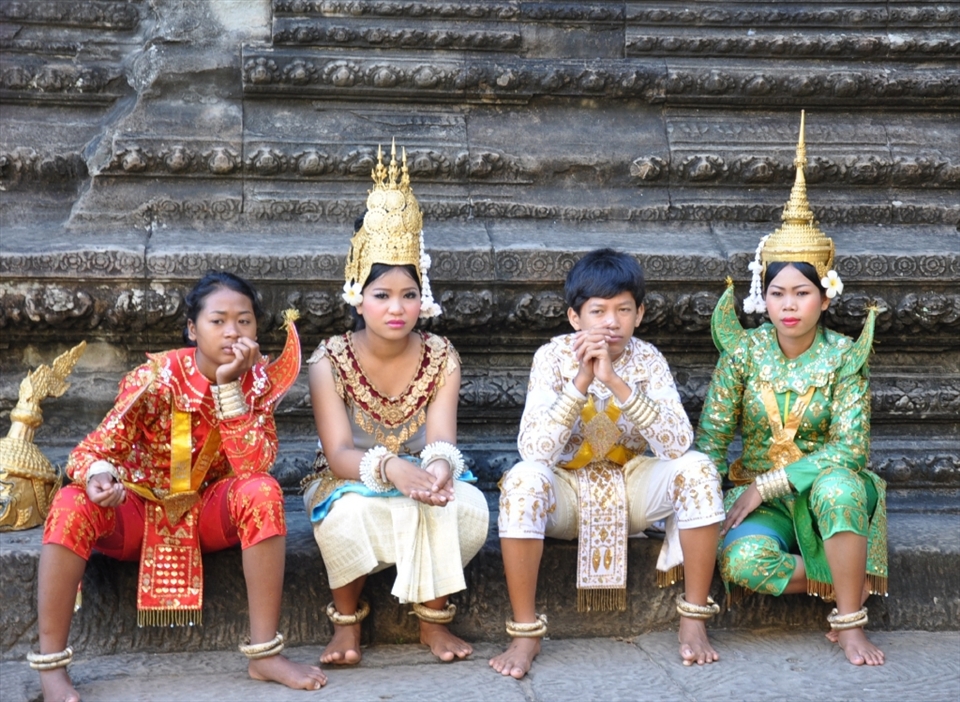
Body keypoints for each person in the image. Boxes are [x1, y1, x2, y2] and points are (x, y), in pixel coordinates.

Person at [32, 271, 326, 702]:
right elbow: (90, 449)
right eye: (218, 320)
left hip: (210, 513)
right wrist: (100, 480)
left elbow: (253, 465)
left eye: (244, 322)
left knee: (262, 491)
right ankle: (51, 665)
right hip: (136, 510)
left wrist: (229, 387)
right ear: (192, 328)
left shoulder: (256, 383)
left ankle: (264, 654)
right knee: (72, 501)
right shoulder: (154, 377)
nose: (232, 332)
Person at [696, 112, 887, 666]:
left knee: (839, 488)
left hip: (826, 492)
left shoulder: (845, 358)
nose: (787, 305)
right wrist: (700, 500)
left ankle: (850, 620)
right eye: (777, 292)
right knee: (745, 563)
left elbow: (852, 450)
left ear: (824, 298)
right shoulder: (744, 352)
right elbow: (712, 438)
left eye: (801, 293)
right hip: (757, 498)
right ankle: (844, 577)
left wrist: (770, 484)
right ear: (764, 295)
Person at [490, 247, 726, 679]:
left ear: (640, 313)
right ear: (575, 317)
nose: (611, 322)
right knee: (522, 479)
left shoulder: (648, 359)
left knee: (698, 469)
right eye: (598, 311)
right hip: (564, 491)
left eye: (623, 309)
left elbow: (677, 444)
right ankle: (525, 632)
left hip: (633, 485)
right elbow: (535, 451)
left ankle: (693, 618)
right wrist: (581, 379)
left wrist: (615, 382)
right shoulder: (551, 357)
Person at [302, 143, 489, 667]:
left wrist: (431, 471)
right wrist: (391, 469)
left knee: (463, 505)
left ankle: (433, 621)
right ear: (357, 295)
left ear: (422, 295)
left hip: (417, 474)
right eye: (381, 294)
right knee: (352, 513)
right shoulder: (328, 360)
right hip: (346, 480)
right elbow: (338, 452)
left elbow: (441, 441)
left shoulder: (441, 355)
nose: (396, 308)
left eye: (408, 294)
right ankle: (346, 626)